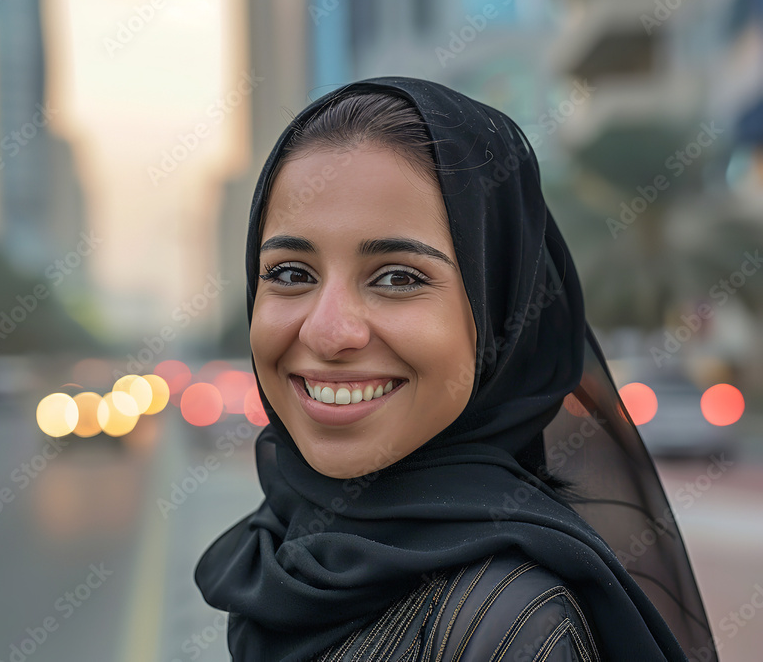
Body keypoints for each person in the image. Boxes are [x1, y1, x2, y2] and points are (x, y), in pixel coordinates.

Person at [195, 77, 718, 661]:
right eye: (291, 273)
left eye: (398, 277)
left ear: (499, 317)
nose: (327, 331)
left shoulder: (508, 622)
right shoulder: (286, 557)